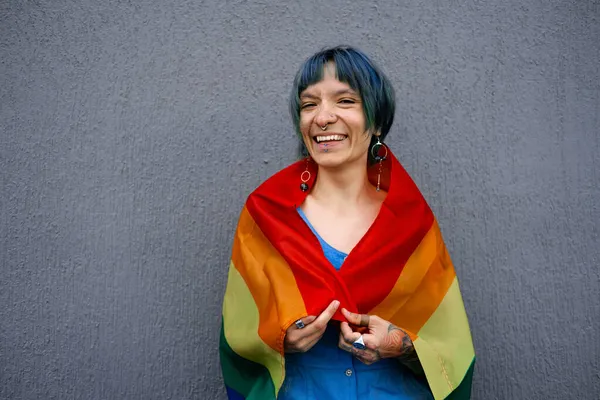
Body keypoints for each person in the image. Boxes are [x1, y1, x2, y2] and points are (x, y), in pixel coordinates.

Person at [220, 46, 475, 400]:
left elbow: (452, 348)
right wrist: (279, 340)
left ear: (378, 121)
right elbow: (237, 338)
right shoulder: (265, 214)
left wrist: (402, 345)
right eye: (309, 104)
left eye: (345, 101)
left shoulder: (412, 221)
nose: (322, 117)